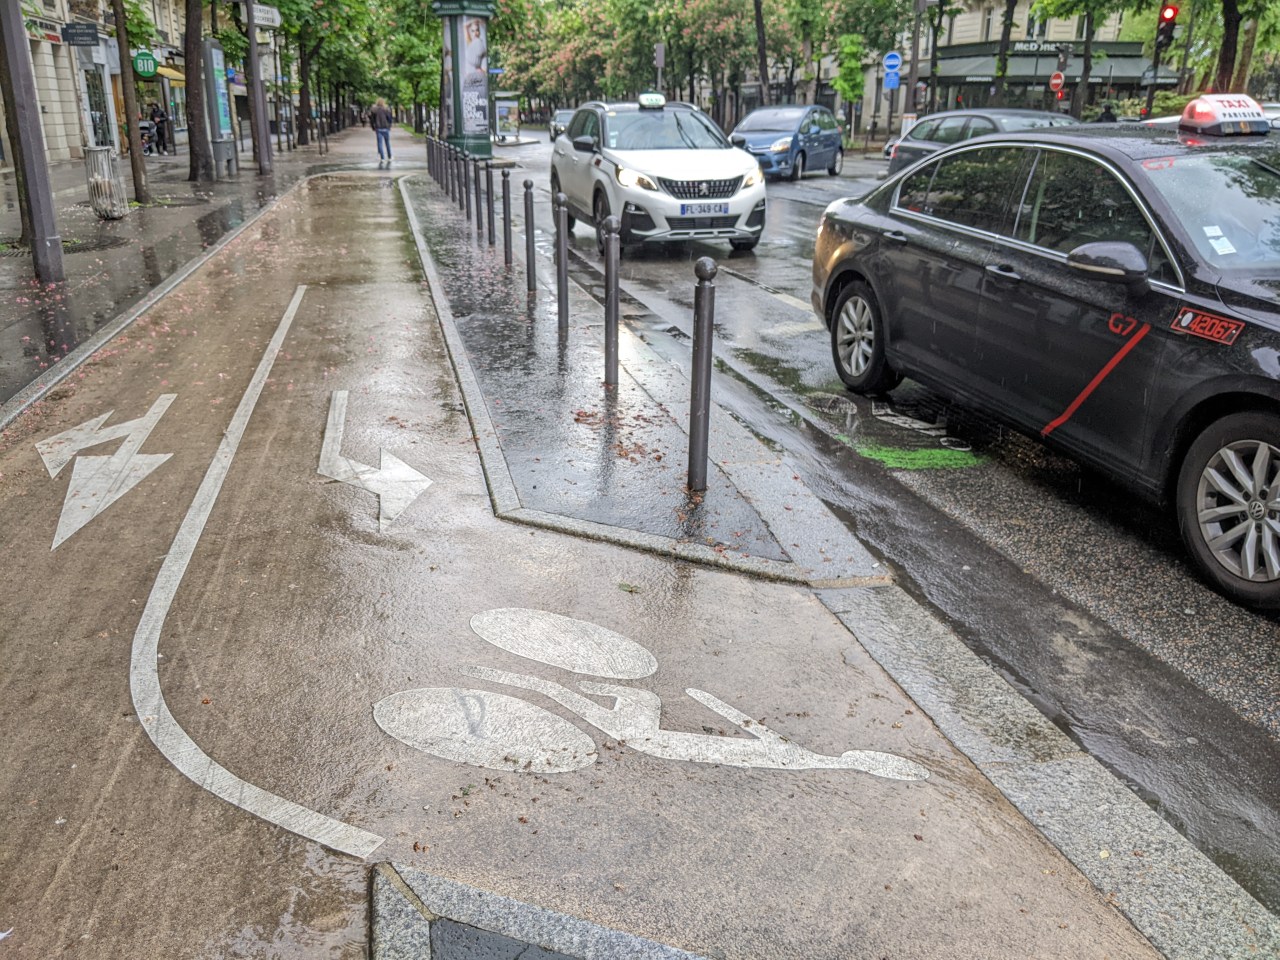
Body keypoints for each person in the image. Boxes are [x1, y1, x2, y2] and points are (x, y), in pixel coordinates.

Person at [370, 97, 393, 164]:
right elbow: (389, 119)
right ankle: (389, 157)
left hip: (378, 128)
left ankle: (382, 158)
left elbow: (372, 120)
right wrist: (389, 126)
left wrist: (373, 127)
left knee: (380, 143)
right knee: (387, 143)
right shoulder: (386, 109)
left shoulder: (374, 110)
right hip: (385, 128)